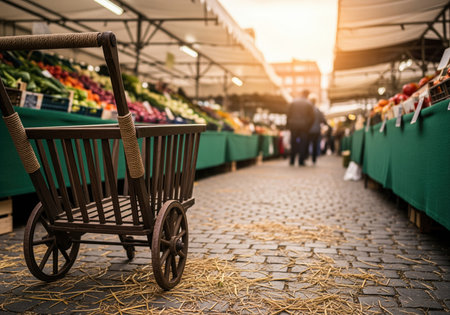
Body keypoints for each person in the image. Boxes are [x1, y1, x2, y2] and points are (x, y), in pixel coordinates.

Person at [286, 89, 314, 166]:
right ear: (308, 95)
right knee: (303, 143)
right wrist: (308, 126)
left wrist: (288, 124)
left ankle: (292, 160)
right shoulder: (309, 103)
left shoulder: (294, 101)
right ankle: (301, 161)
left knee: (293, 142)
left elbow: (288, 114)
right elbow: (312, 117)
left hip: (293, 125)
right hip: (304, 126)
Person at [307, 96, 328, 165]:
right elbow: (323, 120)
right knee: (315, 144)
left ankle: (306, 156)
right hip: (316, 130)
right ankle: (314, 159)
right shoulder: (318, 110)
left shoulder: (308, 109)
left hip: (308, 130)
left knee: (307, 143)